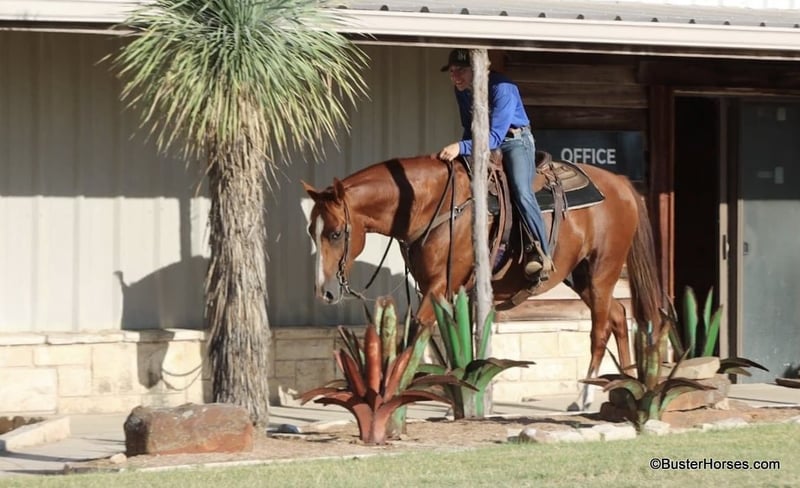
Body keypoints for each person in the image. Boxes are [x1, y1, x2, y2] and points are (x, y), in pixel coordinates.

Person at [437, 48, 553, 279]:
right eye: (452, 71)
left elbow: (495, 138)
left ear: (478, 70)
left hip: (514, 141)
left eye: (461, 70)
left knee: (521, 190)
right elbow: (469, 125)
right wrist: (463, 153)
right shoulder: (461, 89)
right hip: (482, 141)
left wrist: (460, 147)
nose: (455, 76)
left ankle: (541, 252)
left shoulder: (503, 88)